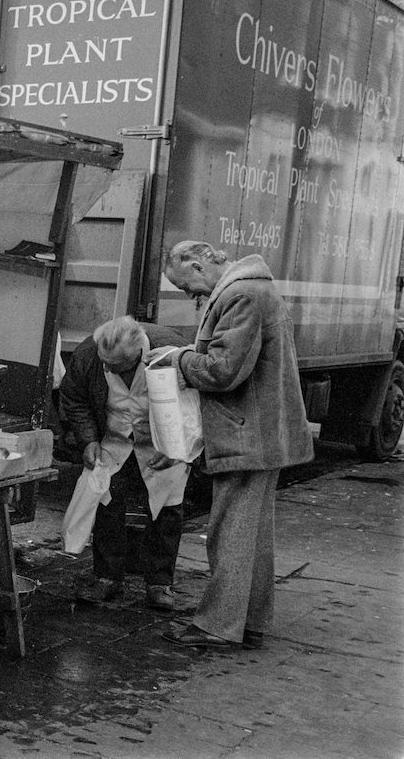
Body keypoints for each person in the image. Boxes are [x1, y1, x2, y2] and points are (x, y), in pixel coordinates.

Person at [159, 241, 313, 649]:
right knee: (253, 536)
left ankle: (217, 626)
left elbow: (222, 371)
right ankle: (250, 622)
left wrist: (179, 359)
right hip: (260, 431)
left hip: (246, 431)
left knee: (229, 532)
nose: (191, 296)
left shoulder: (240, 294)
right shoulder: (254, 289)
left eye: (187, 286)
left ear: (197, 264)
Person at [61, 316, 191, 610]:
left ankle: (159, 584)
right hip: (114, 438)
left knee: (167, 509)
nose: (106, 369)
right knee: (107, 501)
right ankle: (107, 578)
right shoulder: (88, 354)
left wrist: (176, 446)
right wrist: (88, 439)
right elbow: (75, 399)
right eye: (104, 363)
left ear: (137, 355)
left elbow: (195, 405)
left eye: (115, 366)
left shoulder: (174, 351)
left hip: (162, 441)